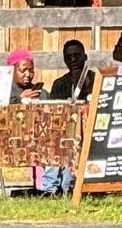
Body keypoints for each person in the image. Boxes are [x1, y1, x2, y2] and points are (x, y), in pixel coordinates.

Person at [38, 40, 95, 196]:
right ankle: (51, 187)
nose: (73, 60)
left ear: (85, 56)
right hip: (64, 132)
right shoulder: (59, 84)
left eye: (77, 56)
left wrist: (82, 85)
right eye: (68, 57)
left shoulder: (96, 80)